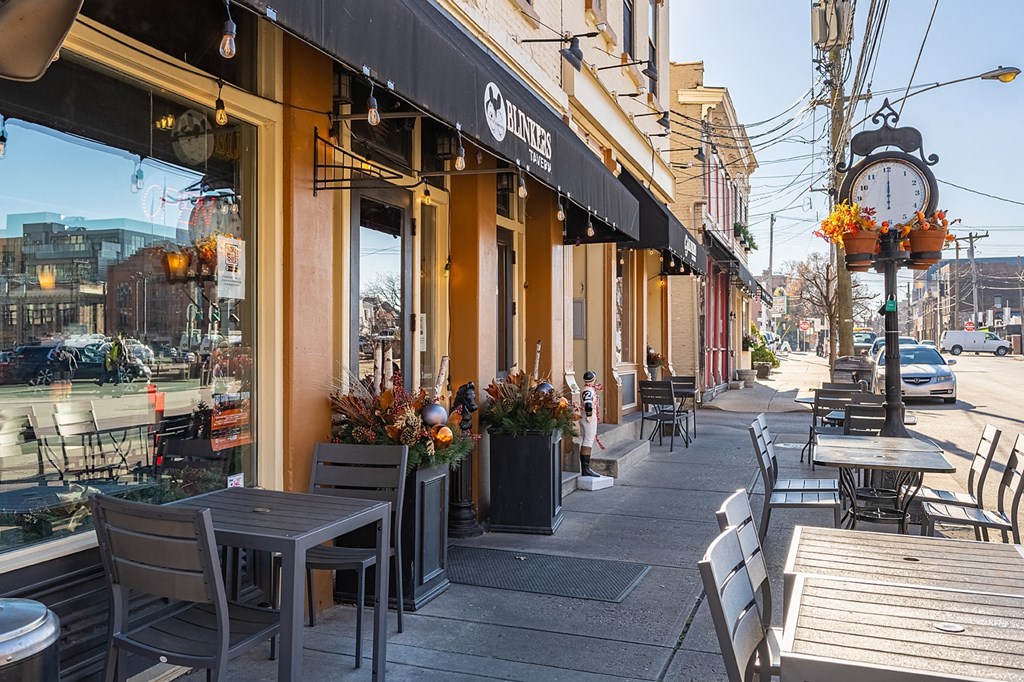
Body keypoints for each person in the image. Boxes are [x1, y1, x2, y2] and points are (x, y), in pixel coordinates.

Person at [579, 371, 601, 477]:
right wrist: (589, 415)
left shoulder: (586, 389)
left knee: (587, 440)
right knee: (588, 441)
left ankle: (586, 468)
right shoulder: (589, 391)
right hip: (589, 417)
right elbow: (588, 404)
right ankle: (585, 469)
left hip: (585, 416)